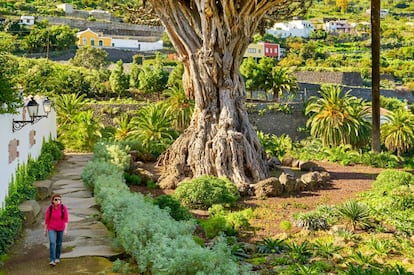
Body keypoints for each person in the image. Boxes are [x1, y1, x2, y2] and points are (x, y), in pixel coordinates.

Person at [44, 193, 69, 266]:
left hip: (61, 228)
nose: (58, 201)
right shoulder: (50, 208)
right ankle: (52, 259)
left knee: (59, 243)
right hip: (51, 228)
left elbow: (66, 219)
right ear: (52, 201)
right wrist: (45, 230)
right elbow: (46, 220)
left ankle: (57, 257)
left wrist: (65, 229)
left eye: (59, 199)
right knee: (52, 242)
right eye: (56, 199)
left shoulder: (63, 208)